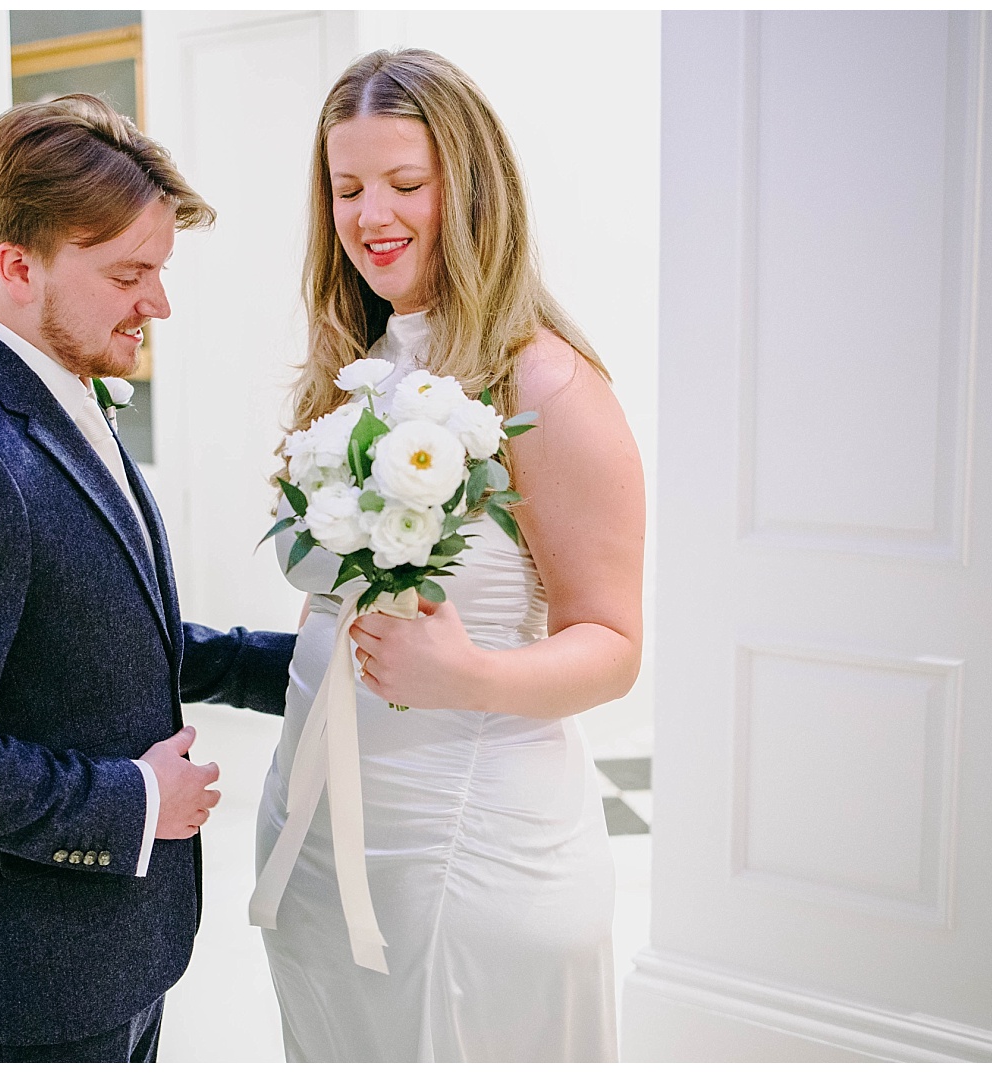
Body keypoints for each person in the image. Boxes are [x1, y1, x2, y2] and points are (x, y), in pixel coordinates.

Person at [0, 94, 295, 1063]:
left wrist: (296, 671)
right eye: (130, 273)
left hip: (108, 953)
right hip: (23, 983)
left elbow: (104, 630)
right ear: (18, 264)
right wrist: (135, 802)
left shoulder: (62, 393)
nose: (159, 303)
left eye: (160, 270)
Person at [255, 50, 644, 1061]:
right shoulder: (355, 368)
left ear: (468, 189)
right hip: (327, 838)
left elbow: (612, 641)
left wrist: (470, 674)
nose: (369, 214)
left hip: (466, 853)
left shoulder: (544, 382)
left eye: (404, 183)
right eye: (346, 188)